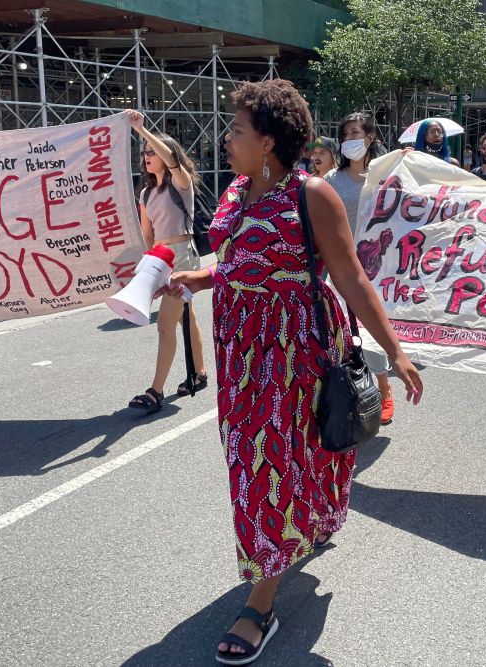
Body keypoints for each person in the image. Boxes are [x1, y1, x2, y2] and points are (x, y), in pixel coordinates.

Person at [162, 79, 423, 665]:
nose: (227, 140)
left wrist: (396, 352)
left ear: (271, 141)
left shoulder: (313, 195)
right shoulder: (237, 189)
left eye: (237, 132)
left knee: (271, 464)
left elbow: (351, 278)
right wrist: (202, 278)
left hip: (294, 350)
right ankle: (311, 523)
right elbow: (237, 259)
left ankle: (261, 602)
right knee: (274, 453)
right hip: (240, 352)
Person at [123, 108, 208, 413]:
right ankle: (199, 374)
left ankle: (155, 391)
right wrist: (147, 270)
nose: (146, 155)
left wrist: (142, 130)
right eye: (144, 152)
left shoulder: (180, 185)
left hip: (184, 257)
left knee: (165, 325)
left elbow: (173, 161)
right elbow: (148, 236)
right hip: (161, 259)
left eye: (151, 151)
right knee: (187, 316)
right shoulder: (146, 193)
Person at [326, 111, 396, 424]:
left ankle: (383, 390)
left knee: (371, 330)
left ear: (369, 137)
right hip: (339, 268)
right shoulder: (332, 180)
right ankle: (353, 390)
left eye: (355, 133)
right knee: (340, 332)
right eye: (345, 135)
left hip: (376, 268)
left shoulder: (387, 176)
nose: (349, 140)